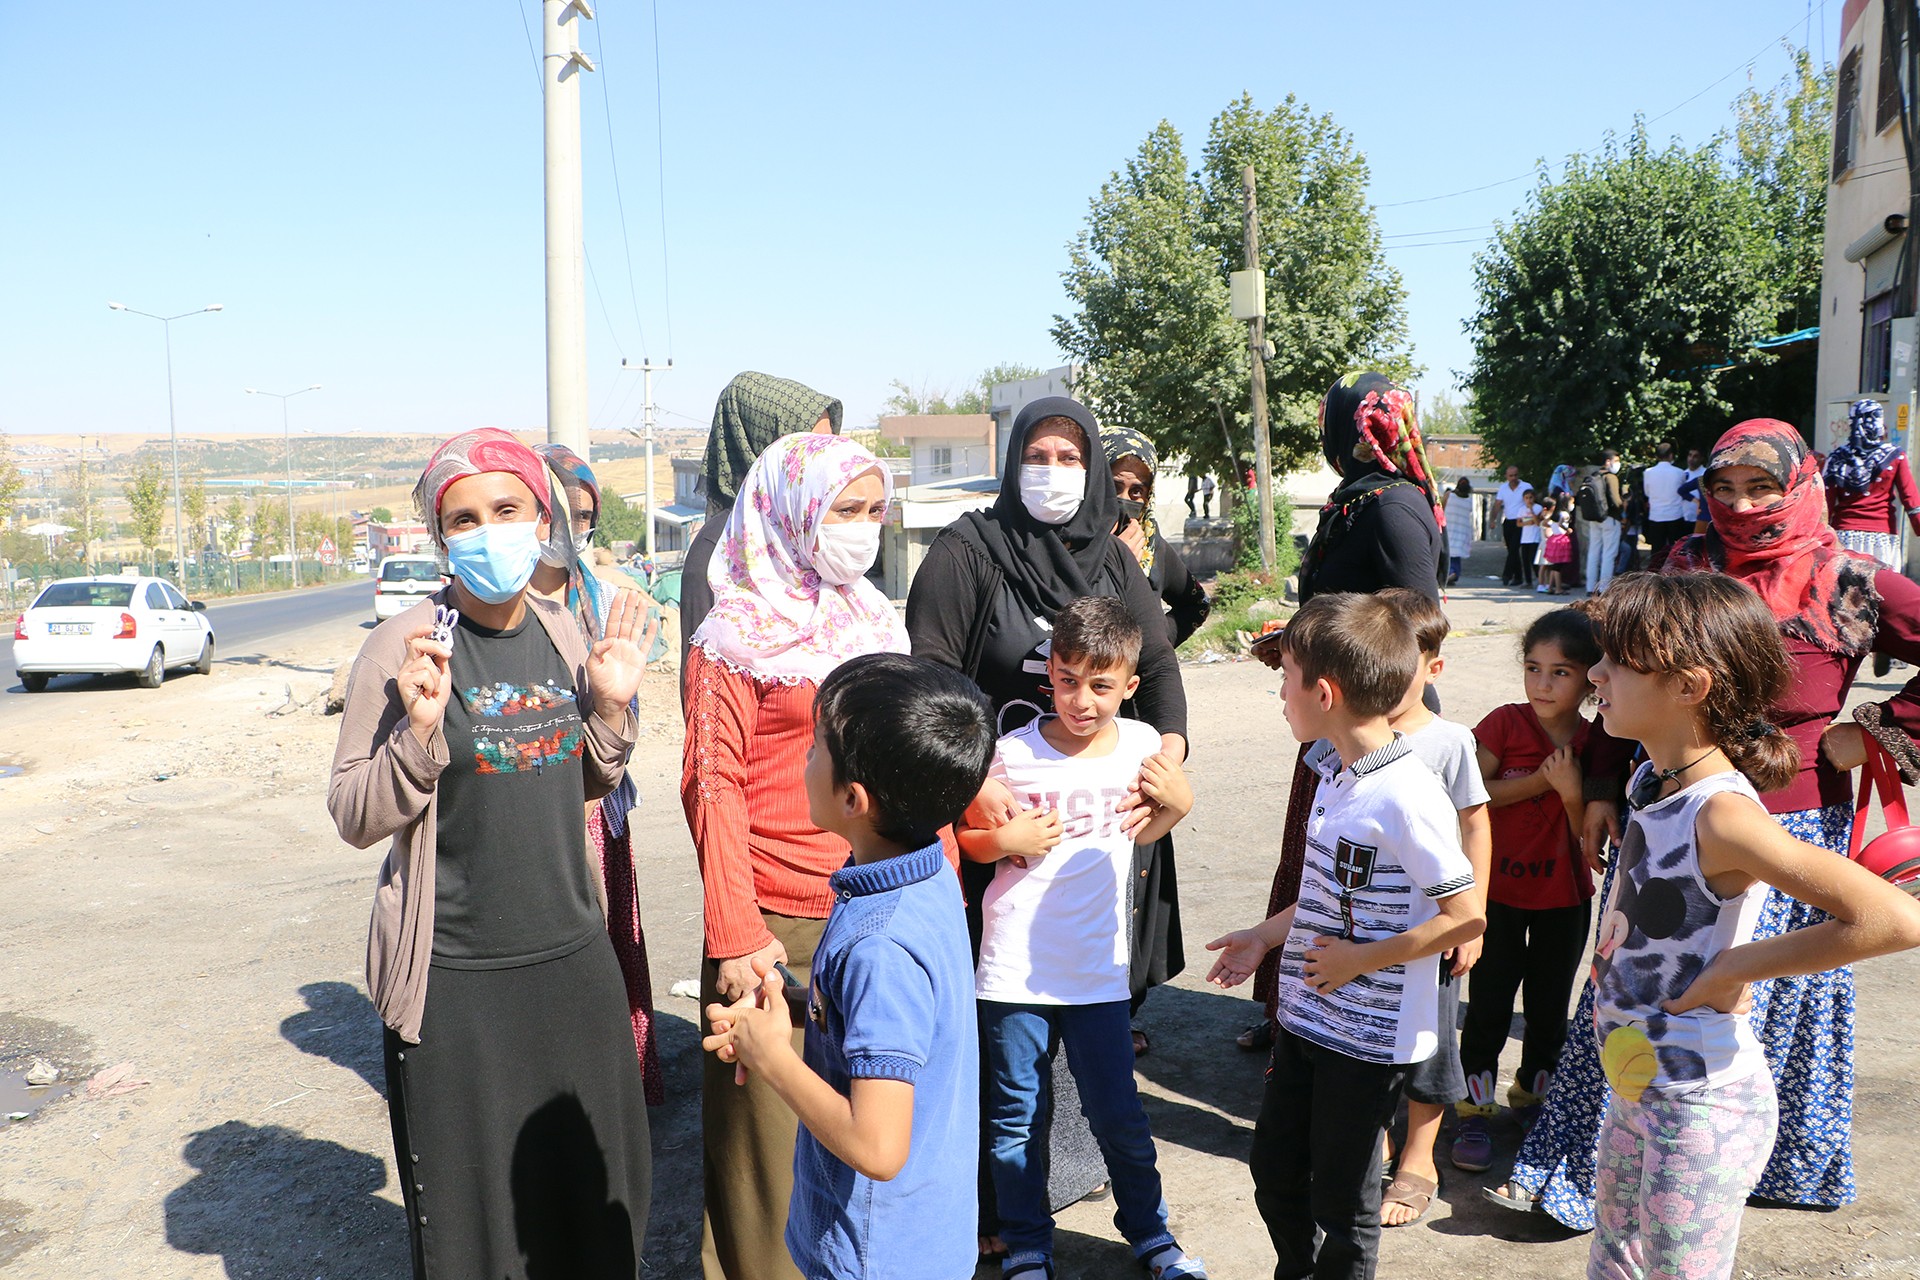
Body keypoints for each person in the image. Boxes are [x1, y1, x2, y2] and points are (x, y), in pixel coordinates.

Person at [1491, 418, 1920, 1228]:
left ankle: (1749, 1163)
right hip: (1667, 801)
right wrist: (1604, 786)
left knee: (1764, 993)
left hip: (1790, 823)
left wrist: (1874, 730)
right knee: (1637, 982)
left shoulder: (1851, 577)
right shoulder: (1688, 562)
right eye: (1723, 487)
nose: (1741, 504)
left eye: (1761, 487)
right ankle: (1587, 1172)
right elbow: (1619, 671)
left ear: (1798, 486)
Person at [328, 427, 654, 1279]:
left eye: (505, 509)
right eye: (463, 519)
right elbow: (355, 813)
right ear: (441, 538)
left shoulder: (562, 631)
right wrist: (420, 734)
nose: (486, 532)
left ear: (541, 517)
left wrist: (612, 709)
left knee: (595, 1207)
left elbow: (581, 778)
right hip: (456, 983)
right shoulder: (401, 647)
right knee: (479, 1238)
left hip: (573, 963)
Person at [904, 396, 1187, 1260]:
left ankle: (1114, 1217)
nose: (1054, 471)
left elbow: (1164, 661)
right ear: (1012, 456)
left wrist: (1168, 758)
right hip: (986, 814)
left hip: (1092, 839)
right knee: (1004, 1075)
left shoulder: (1110, 555)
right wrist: (972, 789)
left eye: (1071, 456)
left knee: (1102, 1083)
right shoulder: (968, 552)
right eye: (1039, 453)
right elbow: (929, 681)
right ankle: (1003, 1224)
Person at [1578, 573, 1920, 1280]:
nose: (1594, 672)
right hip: (1638, 1085)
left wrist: (1735, 970)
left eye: (1617, 661)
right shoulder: (1653, 778)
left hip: (1698, 1106)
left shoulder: (1722, 814)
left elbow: (1893, 919)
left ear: (1688, 687)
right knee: (1615, 1264)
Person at [681, 433, 906, 1280]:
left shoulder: (873, 616)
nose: (863, 528)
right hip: (777, 929)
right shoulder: (731, 637)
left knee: (865, 1140)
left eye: (875, 510)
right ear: (792, 511)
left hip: (876, 906)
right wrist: (736, 934)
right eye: (845, 510)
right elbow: (713, 785)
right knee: (767, 1164)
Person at [1206, 592, 1483, 1280]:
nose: (1280, 693)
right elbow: (1325, 895)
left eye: (1286, 676)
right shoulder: (1334, 771)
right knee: (1275, 1170)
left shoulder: (1406, 795)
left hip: (1367, 1039)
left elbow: (1465, 915)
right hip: (1306, 1018)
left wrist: (1363, 959)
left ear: (1323, 692)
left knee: (1343, 1199)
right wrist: (1267, 936)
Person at [701, 652, 996, 1280]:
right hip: (921, 1238)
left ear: (853, 798)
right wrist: (795, 1012)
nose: (805, 761)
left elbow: (878, 1147)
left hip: (873, 1255)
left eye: (816, 749)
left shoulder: (879, 945)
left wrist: (772, 1057)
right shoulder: (924, 876)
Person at [961, 596, 1208, 1280]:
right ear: (1050, 675)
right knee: (1016, 1121)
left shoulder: (1141, 748)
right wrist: (1001, 839)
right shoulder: (1010, 753)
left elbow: (1144, 834)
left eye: (1101, 686)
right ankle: (1028, 1244)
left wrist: (1178, 807)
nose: (1082, 700)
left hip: (1099, 972)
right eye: (1068, 680)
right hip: (1011, 974)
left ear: (1130, 686)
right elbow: (970, 843)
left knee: (1120, 1119)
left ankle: (1152, 1236)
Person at [1243, 371, 1443, 1054]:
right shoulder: (1357, 501)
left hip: (1377, 723)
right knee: (1315, 864)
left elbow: (1416, 622)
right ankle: (1290, 1006)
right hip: (1335, 714)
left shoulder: (1391, 506)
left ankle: (1339, 1028)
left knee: (1357, 881)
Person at [1350, 590, 1491, 1231]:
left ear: (1433, 665)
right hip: (1362, 931)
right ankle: (1373, 1141)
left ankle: (1420, 1154)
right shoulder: (1340, 739)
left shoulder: (1451, 743)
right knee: (1367, 1039)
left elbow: (1475, 827)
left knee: (1431, 1044)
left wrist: (1474, 919)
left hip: (1430, 931)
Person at [530, 442, 665, 1105]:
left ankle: (621, 1085)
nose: (568, 527)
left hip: (597, 805)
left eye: (582, 515)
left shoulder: (610, 601)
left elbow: (626, 709)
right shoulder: (496, 604)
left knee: (610, 947)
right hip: (525, 809)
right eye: (557, 512)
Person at [1451, 610, 1599, 1176]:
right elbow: (1472, 798)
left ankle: (1534, 1099)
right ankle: (1472, 1110)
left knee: (1547, 1010)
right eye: (1533, 668)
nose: (1542, 684)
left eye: (1560, 672)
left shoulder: (1600, 739)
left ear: (1591, 678)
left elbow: (1595, 829)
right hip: (1497, 895)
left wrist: (1567, 795)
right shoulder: (1505, 724)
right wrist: (1541, 781)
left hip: (1565, 897)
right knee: (1487, 1006)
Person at [681, 372, 842, 681]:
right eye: (810, 447)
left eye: (830, 445)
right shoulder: (718, 553)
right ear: (763, 447)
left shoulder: (815, 536)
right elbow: (706, 700)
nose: (827, 461)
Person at [1105, 427, 1211, 646]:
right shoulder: (1069, 544)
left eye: (1136, 492)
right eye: (1113, 487)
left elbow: (1197, 604)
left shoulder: (1151, 547)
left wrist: (1157, 639)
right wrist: (1113, 561)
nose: (1123, 500)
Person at [1825, 398, 1920, 571]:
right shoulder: (1894, 455)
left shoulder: (1836, 458)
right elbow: (1910, 499)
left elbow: (1825, 505)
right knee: (1884, 594)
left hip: (1843, 538)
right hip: (1882, 540)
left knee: (1845, 594)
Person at [1578, 450, 1624, 595]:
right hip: (1610, 519)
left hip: (1594, 519)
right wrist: (1624, 505)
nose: (1618, 464)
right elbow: (1616, 501)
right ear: (1608, 461)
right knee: (1609, 554)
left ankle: (1590, 587)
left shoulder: (1593, 476)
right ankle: (1604, 588)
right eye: (1616, 461)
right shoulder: (1611, 477)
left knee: (1594, 552)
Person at [1640, 442, 1690, 572]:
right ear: (1671, 455)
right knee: (1676, 549)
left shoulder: (1648, 472)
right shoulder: (1680, 472)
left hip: (1656, 515)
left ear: (1657, 456)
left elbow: (1647, 492)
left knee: (1656, 550)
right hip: (1675, 514)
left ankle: (1654, 574)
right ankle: (1675, 572)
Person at [1492, 465, 1531, 586]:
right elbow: (1497, 504)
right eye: (1511, 476)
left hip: (1521, 522)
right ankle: (1518, 577)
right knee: (1511, 550)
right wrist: (1493, 520)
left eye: (1515, 475)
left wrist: (1529, 520)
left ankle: (1506, 575)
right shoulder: (1503, 488)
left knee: (1514, 548)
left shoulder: (1526, 486)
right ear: (1506, 476)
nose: (1513, 478)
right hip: (1508, 521)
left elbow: (1531, 503)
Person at [1538, 500, 1574, 595]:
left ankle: (1550, 587)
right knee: (1558, 566)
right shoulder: (1564, 514)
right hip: (1561, 540)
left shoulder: (1553, 514)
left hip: (1553, 540)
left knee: (1554, 565)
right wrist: (1567, 529)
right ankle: (1558, 588)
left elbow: (1547, 523)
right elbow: (1561, 523)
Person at [1443, 477, 1475, 586]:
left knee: (1449, 552)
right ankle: (1454, 573)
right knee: (1456, 553)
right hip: (1462, 529)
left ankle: (1451, 573)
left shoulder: (1449, 495)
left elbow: (1442, 507)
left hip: (1449, 527)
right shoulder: (1469, 500)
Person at [1517, 488, 1541, 589]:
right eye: (1526, 498)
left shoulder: (1538, 508)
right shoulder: (1521, 509)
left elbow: (1537, 522)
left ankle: (1540, 579)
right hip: (1525, 538)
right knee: (1525, 560)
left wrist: (1531, 510)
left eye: (1530, 497)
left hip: (1535, 538)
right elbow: (1518, 523)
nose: (1529, 500)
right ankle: (1528, 581)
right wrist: (1526, 522)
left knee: (1534, 560)